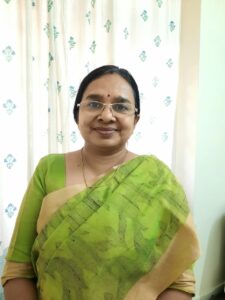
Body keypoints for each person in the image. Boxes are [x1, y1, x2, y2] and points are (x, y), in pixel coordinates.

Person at [1, 65, 200, 300]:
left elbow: (179, 279)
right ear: (77, 113)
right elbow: (18, 268)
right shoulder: (49, 169)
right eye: (94, 104)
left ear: (135, 118)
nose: (106, 116)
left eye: (121, 106)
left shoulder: (158, 180)